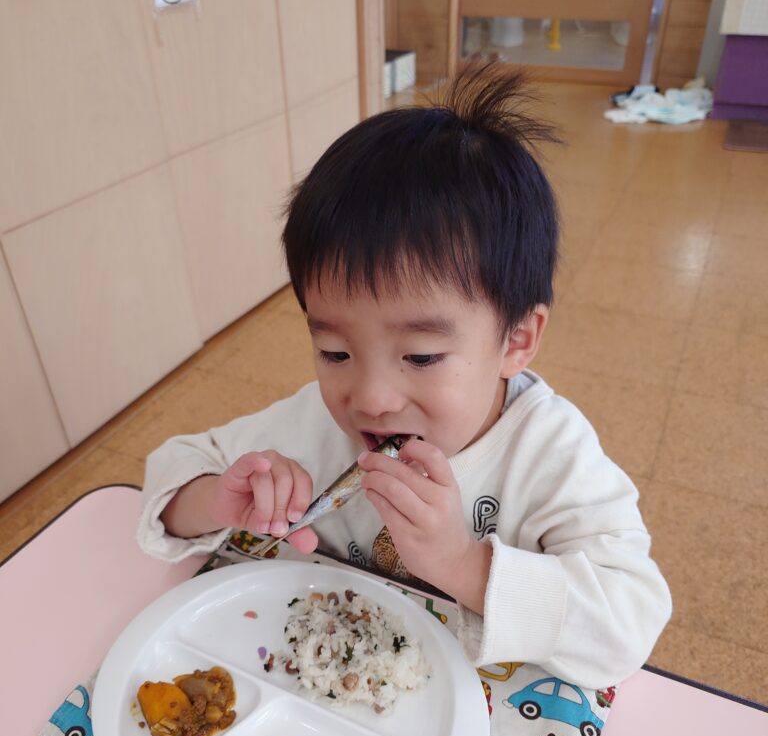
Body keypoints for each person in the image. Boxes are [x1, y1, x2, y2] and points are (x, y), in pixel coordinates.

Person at [138, 64, 671, 689]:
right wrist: (215, 499)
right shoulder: (315, 423)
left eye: (419, 357)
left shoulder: (550, 453)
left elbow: (629, 621)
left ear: (516, 340)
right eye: (335, 352)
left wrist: (462, 563)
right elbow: (170, 476)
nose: (370, 399)